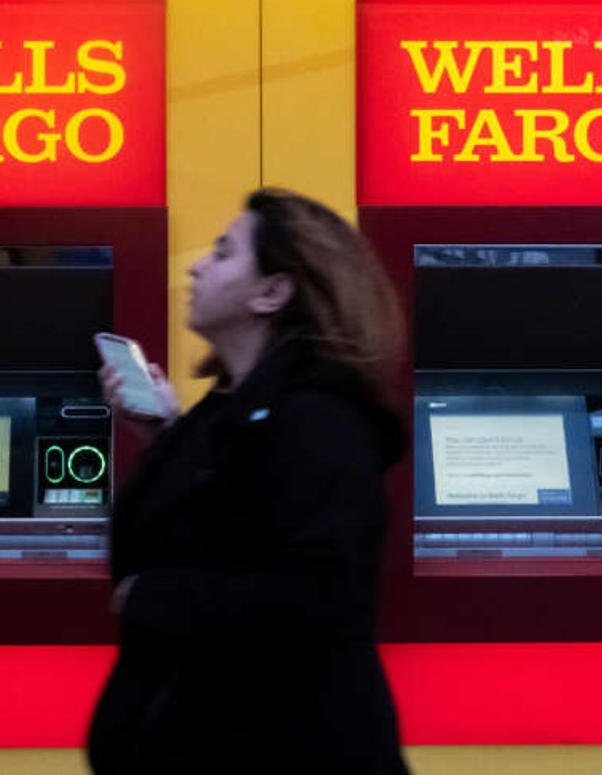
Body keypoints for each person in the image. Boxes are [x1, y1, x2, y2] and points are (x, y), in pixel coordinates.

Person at [87, 187, 411, 775]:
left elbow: (320, 598)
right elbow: (237, 511)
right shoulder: (235, 409)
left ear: (272, 292)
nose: (197, 265)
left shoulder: (322, 417)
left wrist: (151, 595)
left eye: (222, 252)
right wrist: (167, 435)